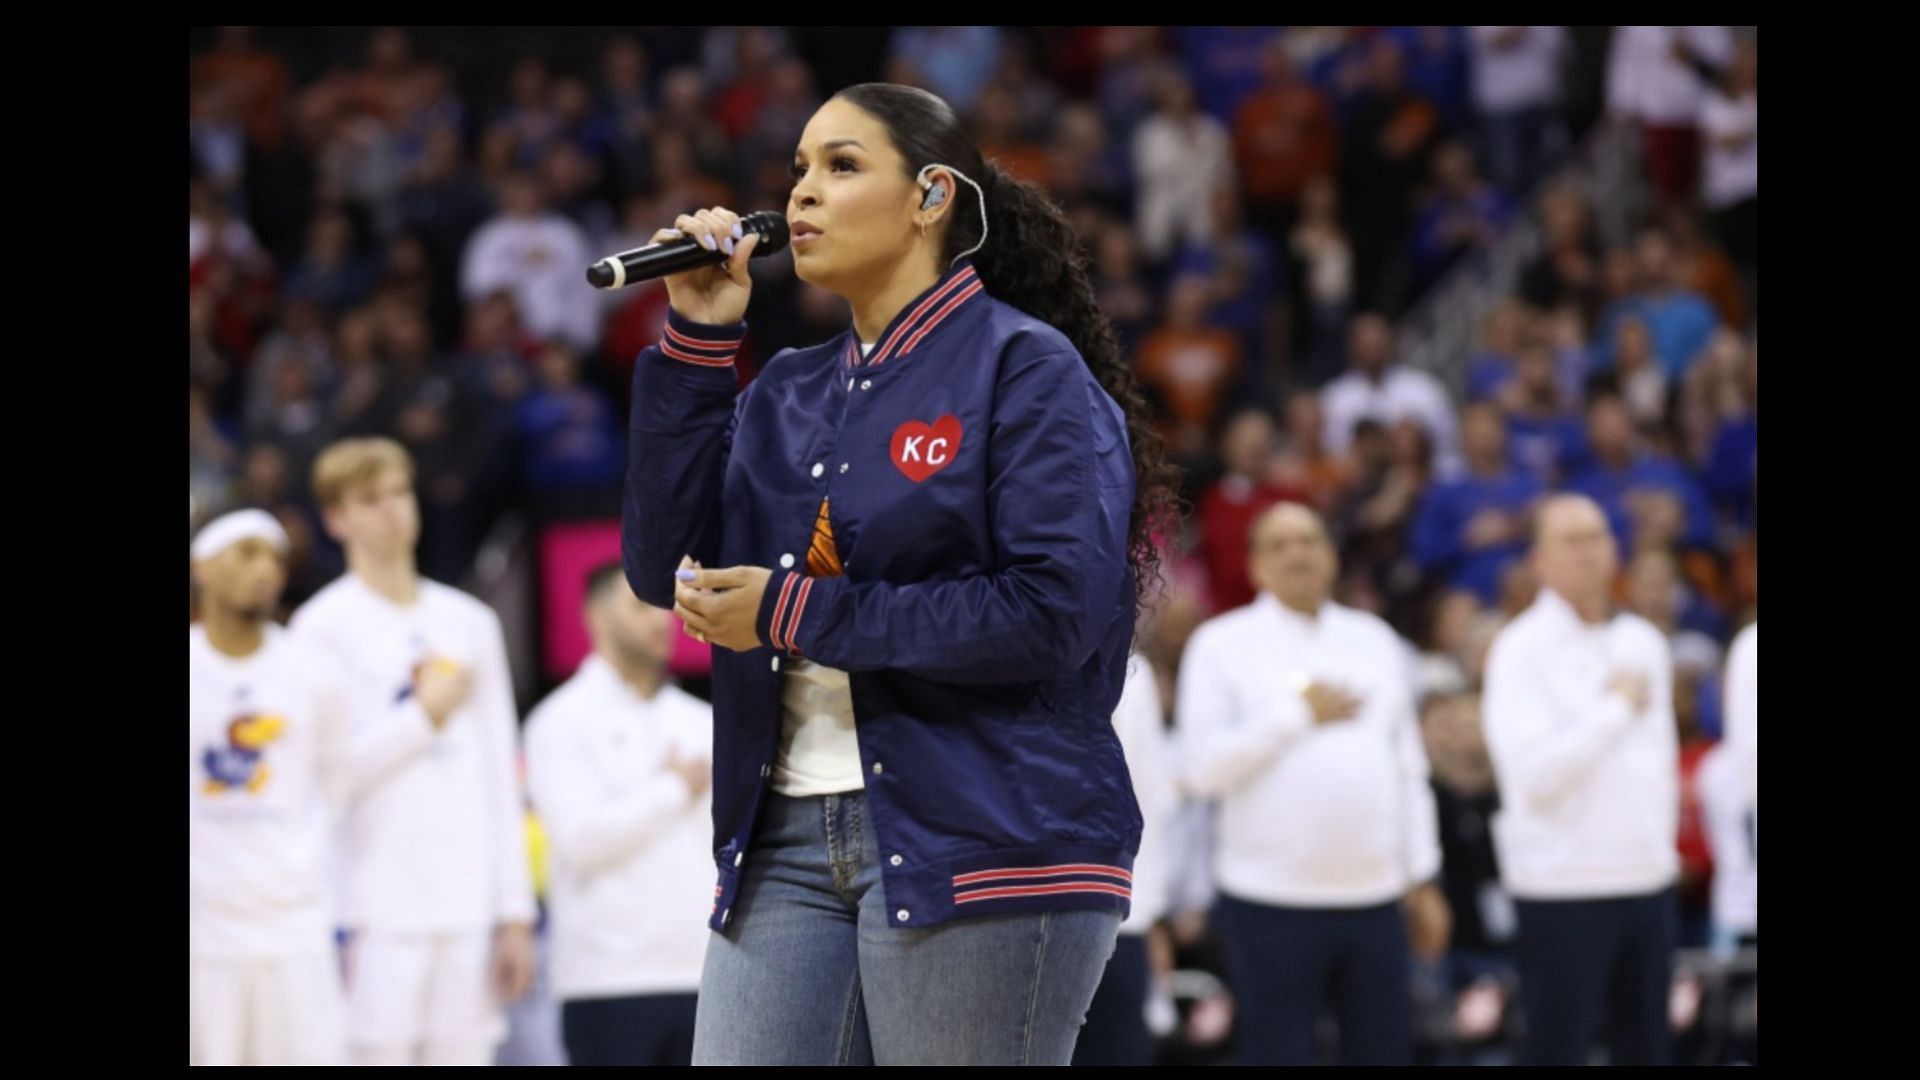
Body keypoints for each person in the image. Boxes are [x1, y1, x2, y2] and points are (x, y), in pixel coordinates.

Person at [621, 81, 1181, 1066]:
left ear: (931, 197)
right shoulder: (787, 388)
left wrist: (793, 610)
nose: (801, 195)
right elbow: (656, 563)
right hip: (785, 836)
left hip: (989, 829)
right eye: (797, 170)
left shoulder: (1028, 371)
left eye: (841, 167)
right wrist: (700, 341)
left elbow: (1051, 614)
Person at [289, 437, 538, 1065]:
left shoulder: (470, 622)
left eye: (400, 492)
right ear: (336, 518)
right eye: (371, 500)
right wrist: (421, 718)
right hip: (369, 911)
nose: (393, 510)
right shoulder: (319, 630)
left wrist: (514, 913)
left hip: (466, 909)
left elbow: (499, 778)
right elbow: (320, 780)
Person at [1176, 503, 1447, 1065]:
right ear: (1255, 566)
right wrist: (1295, 715)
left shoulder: (1375, 639)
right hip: (1269, 901)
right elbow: (1199, 770)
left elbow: (1408, 769)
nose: (1297, 552)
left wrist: (1422, 877)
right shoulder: (1221, 644)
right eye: (1278, 544)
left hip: (1375, 900)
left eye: (1309, 538)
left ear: (1331, 554)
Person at [189, 509, 458, 1066]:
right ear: (202, 567)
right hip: (201, 931)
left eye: (274, 557)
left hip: (292, 927)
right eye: (247, 554)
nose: (265, 569)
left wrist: (419, 721)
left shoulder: (310, 670)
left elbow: (339, 779)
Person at [1482, 494, 1679, 1065]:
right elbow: (1534, 777)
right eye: (1570, 540)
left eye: (1595, 536)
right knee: (1557, 1049)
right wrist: (1613, 711)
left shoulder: (1641, 640)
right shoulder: (1519, 649)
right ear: (1538, 560)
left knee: (1647, 1048)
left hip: (1645, 878)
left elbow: (1656, 764)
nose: (1587, 551)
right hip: (1562, 886)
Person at [524, 562, 715, 1066]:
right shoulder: (559, 721)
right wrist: (673, 789)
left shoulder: (703, 722)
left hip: (704, 974)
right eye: (638, 606)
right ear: (596, 617)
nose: (659, 621)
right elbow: (581, 841)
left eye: (662, 607)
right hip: (606, 981)